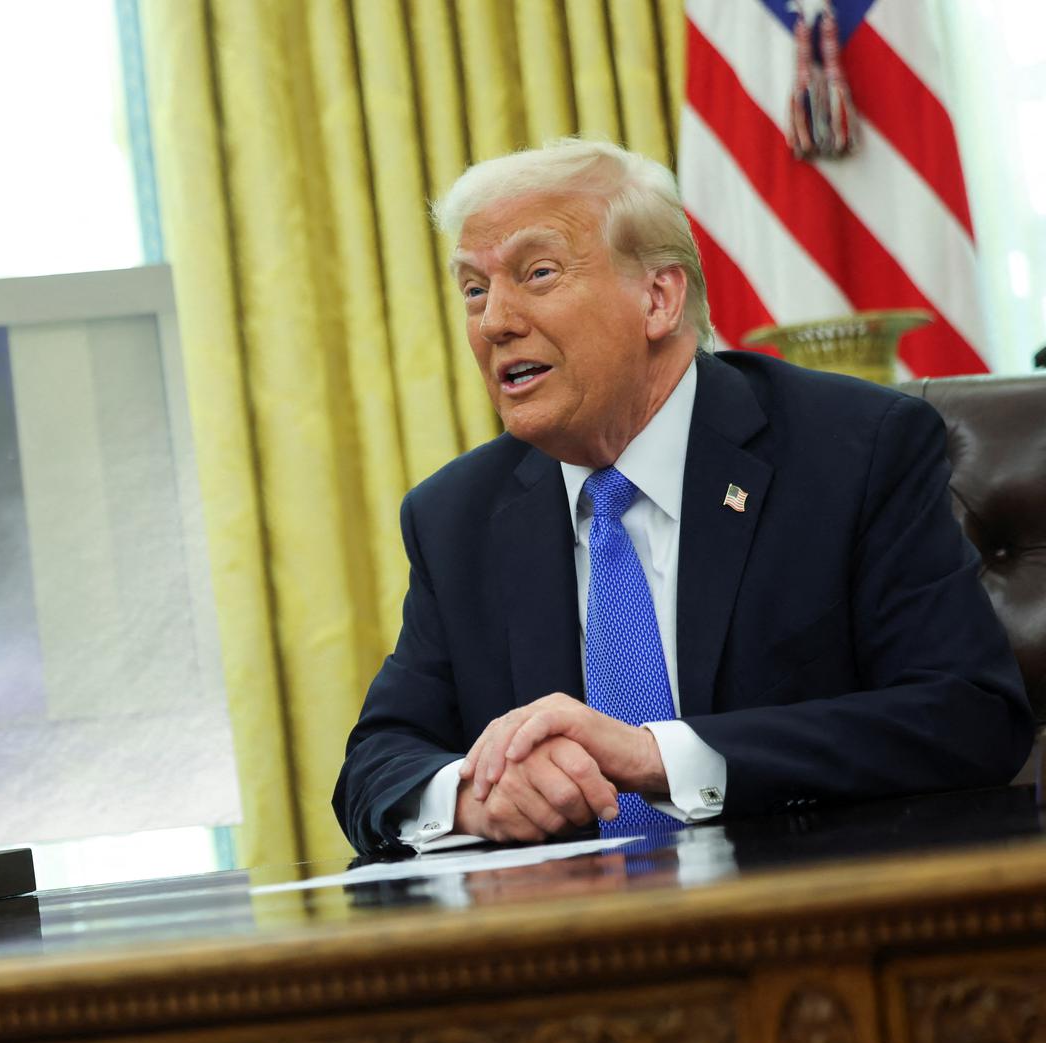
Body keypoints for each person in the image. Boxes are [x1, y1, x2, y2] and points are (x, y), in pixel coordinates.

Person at [333, 139, 1034, 855]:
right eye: (474, 289)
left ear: (659, 299)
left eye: (537, 273)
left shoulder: (854, 451)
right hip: (573, 917)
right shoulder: (457, 516)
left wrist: (661, 757)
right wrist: (471, 796)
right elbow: (377, 761)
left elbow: (968, 716)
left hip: (810, 899)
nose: (494, 323)